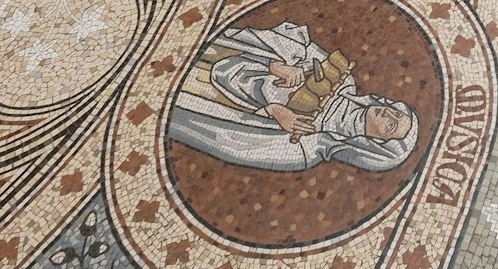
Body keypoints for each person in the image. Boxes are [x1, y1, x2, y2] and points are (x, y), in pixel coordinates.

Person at [168, 21, 417, 173]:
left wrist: (275, 111)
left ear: (376, 143)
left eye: (391, 124)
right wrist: (277, 64)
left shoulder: (310, 147)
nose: (387, 114)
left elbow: (238, 140)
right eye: (395, 111)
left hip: (208, 97)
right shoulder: (344, 81)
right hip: (225, 58)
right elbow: (296, 46)